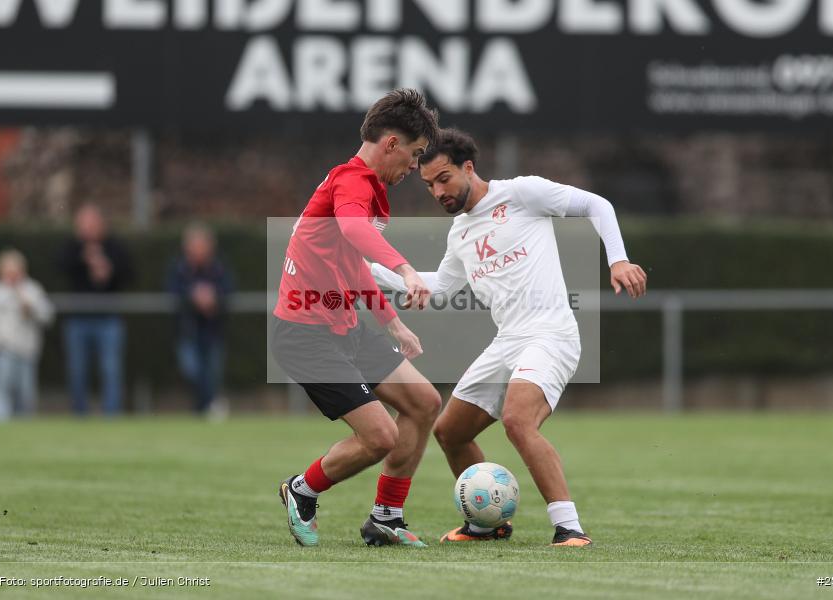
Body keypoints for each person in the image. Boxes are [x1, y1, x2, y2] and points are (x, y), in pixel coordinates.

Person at [371, 128, 647, 547]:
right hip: (507, 342)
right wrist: (370, 271)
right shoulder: (459, 232)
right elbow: (440, 288)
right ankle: (487, 525)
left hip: (550, 333)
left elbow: (597, 204)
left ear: (468, 167)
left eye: (444, 178)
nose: (438, 191)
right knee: (450, 432)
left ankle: (569, 527)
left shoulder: (521, 193)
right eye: (428, 185)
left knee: (518, 420)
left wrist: (618, 259)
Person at [271, 88, 442, 547]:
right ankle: (302, 489)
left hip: (343, 326)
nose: (414, 166)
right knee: (381, 436)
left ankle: (386, 518)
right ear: (390, 143)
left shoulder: (362, 186)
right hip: (305, 334)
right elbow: (352, 230)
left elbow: (351, 266)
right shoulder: (352, 181)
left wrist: (392, 324)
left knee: (424, 402)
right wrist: (405, 270)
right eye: (414, 154)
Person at [59, 204, 134, 416]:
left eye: (91, 223)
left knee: (111, 370)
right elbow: (60, 266)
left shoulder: (115, 246)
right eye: (83, 223)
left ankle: (111, 415)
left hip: (108, 319)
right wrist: (84, 258)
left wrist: (107, 269)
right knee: (77, 371)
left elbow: (129, 274)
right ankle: (79, 414)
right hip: (78, 319)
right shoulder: (72, 247)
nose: (88, 228)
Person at [167, 224, 234, 415]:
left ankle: (208, 408)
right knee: (192, 370)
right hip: (187, 331)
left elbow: (228, 290)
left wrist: (213, 298)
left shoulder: (219, 267)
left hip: (213, 331)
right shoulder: (179, 268)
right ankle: (206, 407)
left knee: (212, 372)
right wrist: (192, 296)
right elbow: (172, 290)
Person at [0, 249, 54, 421]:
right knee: (1, 386)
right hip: (3, 349)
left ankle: (24, 421)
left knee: (26, 391)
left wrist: (29, 307)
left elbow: (47, 315)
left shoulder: (32, 290)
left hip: (27, 350)